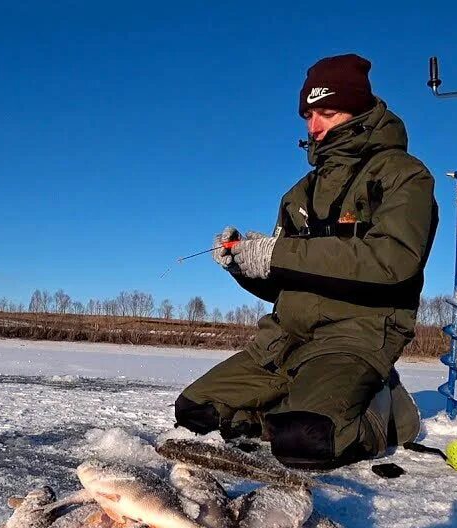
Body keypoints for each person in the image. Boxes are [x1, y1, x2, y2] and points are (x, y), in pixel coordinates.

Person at [174, 53, 436, 470]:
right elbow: (283, 284)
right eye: (308, 115)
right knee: (195, 413)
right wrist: (245, 264)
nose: (314, 127)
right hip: (285, 341)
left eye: (327, 112)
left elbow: (394, 260)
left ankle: (384, 406)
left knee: (305, 441)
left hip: (355, 337)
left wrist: (276, 253)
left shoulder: (403, 175)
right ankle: (294, 401)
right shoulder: (299, 194)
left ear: (359, 109)